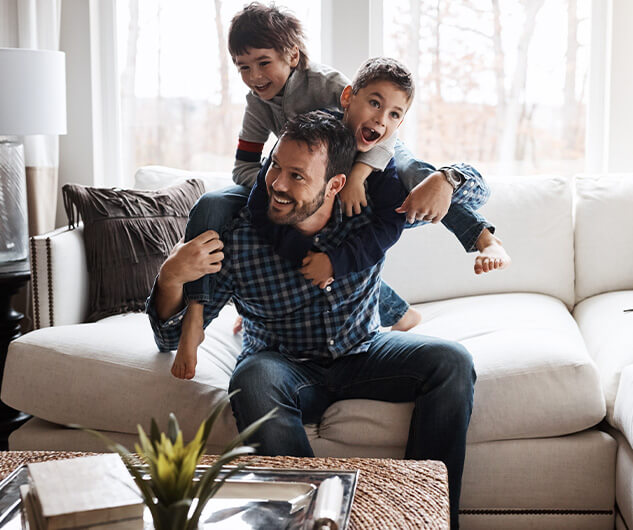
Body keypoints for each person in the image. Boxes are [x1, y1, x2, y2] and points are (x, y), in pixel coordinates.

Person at [147, 111, 476, 529]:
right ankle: (311, 523)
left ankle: (427, 518)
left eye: (298, 176)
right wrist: (171, 275)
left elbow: (476, 192)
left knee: (452, 360)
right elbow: (168, 338)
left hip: (365, 350)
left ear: (335, 184)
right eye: (275, 169)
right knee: (252, 380)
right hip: (281, 362)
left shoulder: (368, 213)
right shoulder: (239, 236)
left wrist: (447, 180)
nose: (278, 185)